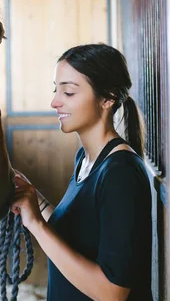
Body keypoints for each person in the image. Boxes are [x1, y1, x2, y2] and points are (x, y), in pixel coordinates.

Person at [11, 43, 152, 301]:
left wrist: (36, 225)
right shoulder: (85, 159)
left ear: (108, 97)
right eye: (56, 90)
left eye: (68, 92)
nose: (55, 102)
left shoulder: (120, 174)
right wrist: (34, 199)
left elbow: (112, 293)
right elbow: (75, 232)